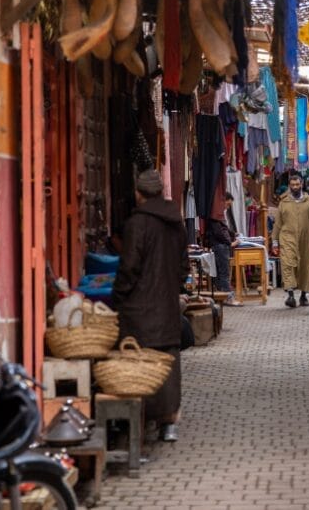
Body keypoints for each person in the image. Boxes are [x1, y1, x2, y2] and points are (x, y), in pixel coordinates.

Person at [112, 169, 188, 442]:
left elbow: (129, 266)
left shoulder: (137, 224)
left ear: (138, 193)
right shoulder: (175, 221)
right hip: (166, 304)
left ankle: (141, 417)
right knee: (168, 360)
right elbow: (183, 266)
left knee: (139, 360)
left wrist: (118, 296)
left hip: (139, 307)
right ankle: (169, 422)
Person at [271, 173, 309, 308]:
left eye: (297, 184)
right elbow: (278, 223)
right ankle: (290, 295)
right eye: (292, 185)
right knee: (287, 264)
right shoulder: (284, 203)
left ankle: (303, 295)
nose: (295, 187)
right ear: (289, 186)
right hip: (287, 238)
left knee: (305, 266)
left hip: (306, 240)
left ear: (301, 185)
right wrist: (275, 241)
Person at [206, 193, 242, 307]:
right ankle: (228, 298)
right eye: (227, 204)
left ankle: (222, 297)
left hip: (220, 246)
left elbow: (223, 229)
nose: (227, 207)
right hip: (220, 246)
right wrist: (230, 243)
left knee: (221, 273)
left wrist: (233, 234)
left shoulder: (218, 214)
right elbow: (218, 232)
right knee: (224, 273)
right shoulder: (216, 214)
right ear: (223, 201)